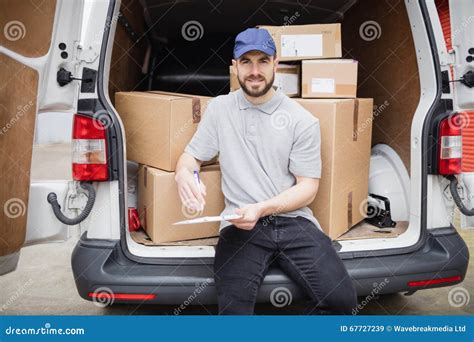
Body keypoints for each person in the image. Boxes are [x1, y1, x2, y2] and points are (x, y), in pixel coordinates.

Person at [175, 27, 357, 315]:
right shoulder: (219, 109)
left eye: (262, 60)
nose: (255, 70)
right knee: (233, 317)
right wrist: (184, 174)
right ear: (234, 67)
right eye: (246, 61)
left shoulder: (302, 120)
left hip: (293, 222)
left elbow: (308, 188)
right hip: (240, 227)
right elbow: (191, 157)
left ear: (276, 63)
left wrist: (261, 208)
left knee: (342, 303)